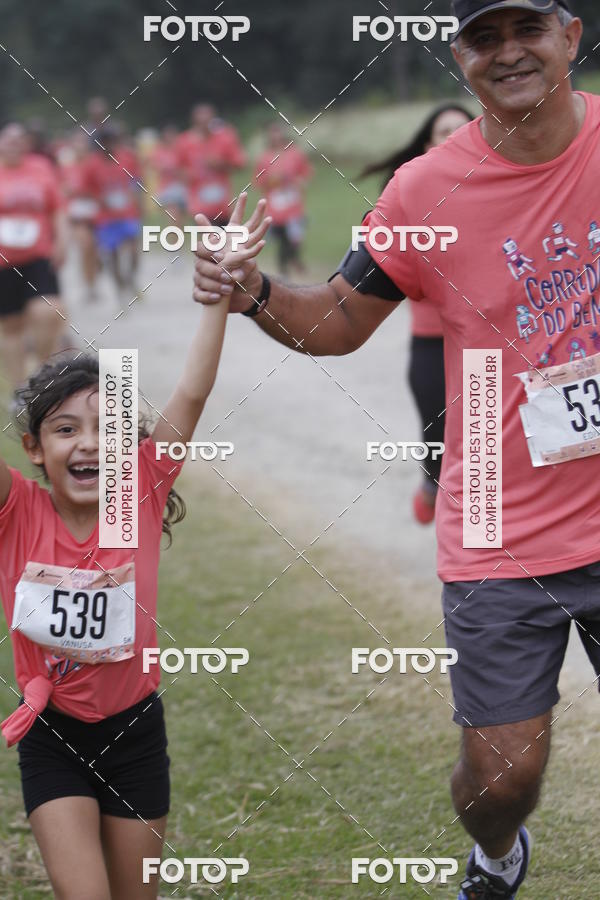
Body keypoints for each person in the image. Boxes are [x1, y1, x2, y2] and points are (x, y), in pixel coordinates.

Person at [192, 3, 594, 897]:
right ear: (459, 58)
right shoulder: (423, 190)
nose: (508, 53)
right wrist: (252, 288)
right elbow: (335, 322)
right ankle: (496, 854)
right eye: (483, 38)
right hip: (496, 513)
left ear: (570, 35)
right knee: (501, 782)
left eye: (526, 29)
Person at [0, 196, 269, 900]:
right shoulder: (14, 510)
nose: (87, 443)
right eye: (63, 430)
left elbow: (193, 388)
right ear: (32, 449)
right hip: (52, 735)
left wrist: (216, 292)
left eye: (103, 427)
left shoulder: (138, 492)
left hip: (135, 733)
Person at [361, 104, 473, 524]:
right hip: (432, 346)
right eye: (444, 131)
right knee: (439, 443)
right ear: (428, 145)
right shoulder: (411, 199)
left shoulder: (502, 195)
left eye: (464, 130)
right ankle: (432, 483)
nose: (454, 137)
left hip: (488, 350)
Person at [0, 123, 68, 390]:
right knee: (11, 326)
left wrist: (62, 240)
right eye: (9, 138)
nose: (15, 143)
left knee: (50, 310)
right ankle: (20, 387)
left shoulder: (40, 167)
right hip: (4, 261)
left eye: (20, 139)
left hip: (38, 254)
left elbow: (57, 207)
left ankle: (42, 370)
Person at [80, 125, 142, 300]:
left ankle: (130, 277)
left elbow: (136, 182)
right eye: (105, 142)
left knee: (134, 250)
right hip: (106, 217)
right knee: (112, 255)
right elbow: (85, 189)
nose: (109, 145)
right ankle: (120, 288)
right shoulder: (91, 164)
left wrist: (138, 202)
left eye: (112, 141)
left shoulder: (128, 158)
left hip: (128, 212)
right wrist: (100, 199)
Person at [254, 123, 313, 277]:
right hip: (276, 205)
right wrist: (271, 181)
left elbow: (306, 173)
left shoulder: (295, 154)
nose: (276, 137)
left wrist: (300, 181)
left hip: (293, 204)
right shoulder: (264, 157)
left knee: (295, 237)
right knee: (282, 238)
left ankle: (293, 259)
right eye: (273, 134)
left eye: (279, 133)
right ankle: (284, 269)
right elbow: (258, 181)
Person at [176, 103, 246, 225]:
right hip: (198, 201)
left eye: (207, 120)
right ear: (194, 121)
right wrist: (189, 175)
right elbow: (178, 169)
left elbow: (240, 163)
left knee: (223, 237)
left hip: (222, 202)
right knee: (207, 238)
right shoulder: (184, 141)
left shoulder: (225, 138)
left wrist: (220, 164)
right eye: (200, 121)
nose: (204, 124)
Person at [59, 130, 100, 301]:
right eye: (76, 143)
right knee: (85, 247)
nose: (79, 147)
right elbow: (61, 190)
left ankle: (93, 277)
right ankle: (89, 286)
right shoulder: (67, 168)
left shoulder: (95, 165)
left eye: (83, 143)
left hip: (96, 213)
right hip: (77, 215)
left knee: (94, 252)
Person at [149, 125, 186, 226]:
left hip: (182, 187)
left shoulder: (181, 150)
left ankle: (178, 239)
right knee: (174, 218)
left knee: (180, 219)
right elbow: (154, 165)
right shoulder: (159, 151)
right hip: (167, 188)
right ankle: (175, 241)